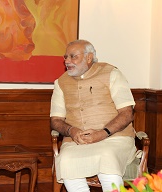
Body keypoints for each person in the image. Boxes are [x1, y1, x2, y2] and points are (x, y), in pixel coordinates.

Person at [50, 39, 136, 192]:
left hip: (114, 138)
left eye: (73, 56)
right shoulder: (61, 83)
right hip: (77, 141)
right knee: (66, 160)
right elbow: (55, 120)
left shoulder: (111, 73)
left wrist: (103, 133)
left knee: (107, 156)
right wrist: (72, 131)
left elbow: (127, 113)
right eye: (65, 57)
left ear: (89, 58)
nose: (67, 61)